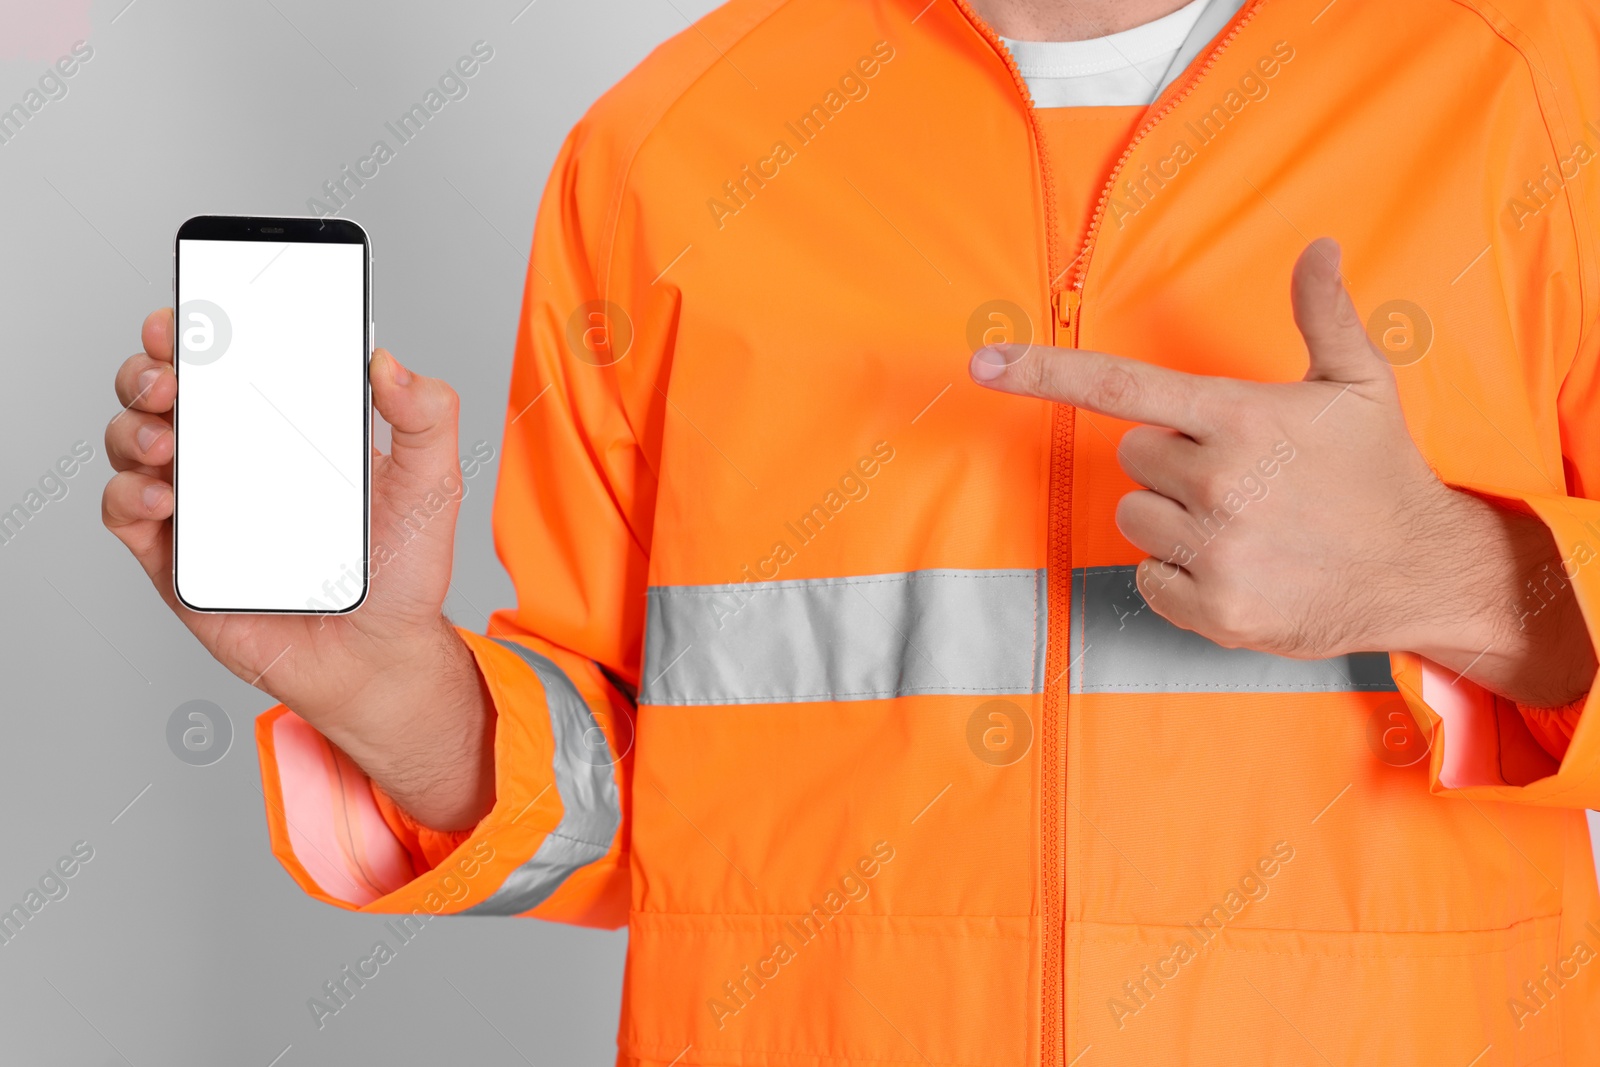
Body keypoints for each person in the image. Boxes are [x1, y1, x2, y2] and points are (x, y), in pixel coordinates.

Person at [103, 0, 1600, 1060]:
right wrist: (394, 698)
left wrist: (1458, 577)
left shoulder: (1551, 92)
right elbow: (660, 816)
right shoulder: (662, 155)